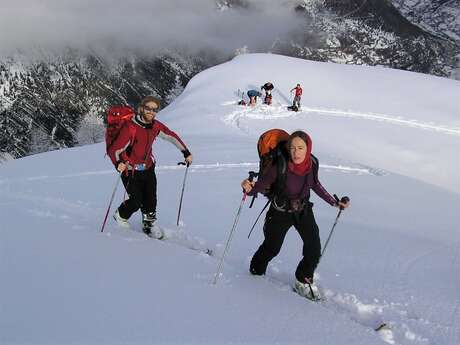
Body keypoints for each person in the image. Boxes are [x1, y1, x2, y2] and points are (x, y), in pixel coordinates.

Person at [241, 130, 349, 299]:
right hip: (279, 212)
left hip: (303, 211)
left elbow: (316, 184)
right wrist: (249, 189)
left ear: (308, 148)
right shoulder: (280, 165)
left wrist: (334, 203)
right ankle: (255, 271)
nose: (296, 152)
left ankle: (302, 279)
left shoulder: (311, 164)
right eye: (292, 148)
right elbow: (261, 185)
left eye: (300, 148)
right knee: (272, 247)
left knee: (314, 248)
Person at [107, 95, 193, 236]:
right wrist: (118, 163)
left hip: (148, 167)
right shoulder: (130, 128)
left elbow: (171, 136)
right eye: (148, 108)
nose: (151, 112)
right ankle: (120, 215)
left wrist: (186, 152)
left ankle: (148, 225)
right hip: (130, 170)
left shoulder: (155, 126)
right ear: (141, 108)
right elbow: (115, 150)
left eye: (155, 109)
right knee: (135, 201)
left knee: (151, 199)